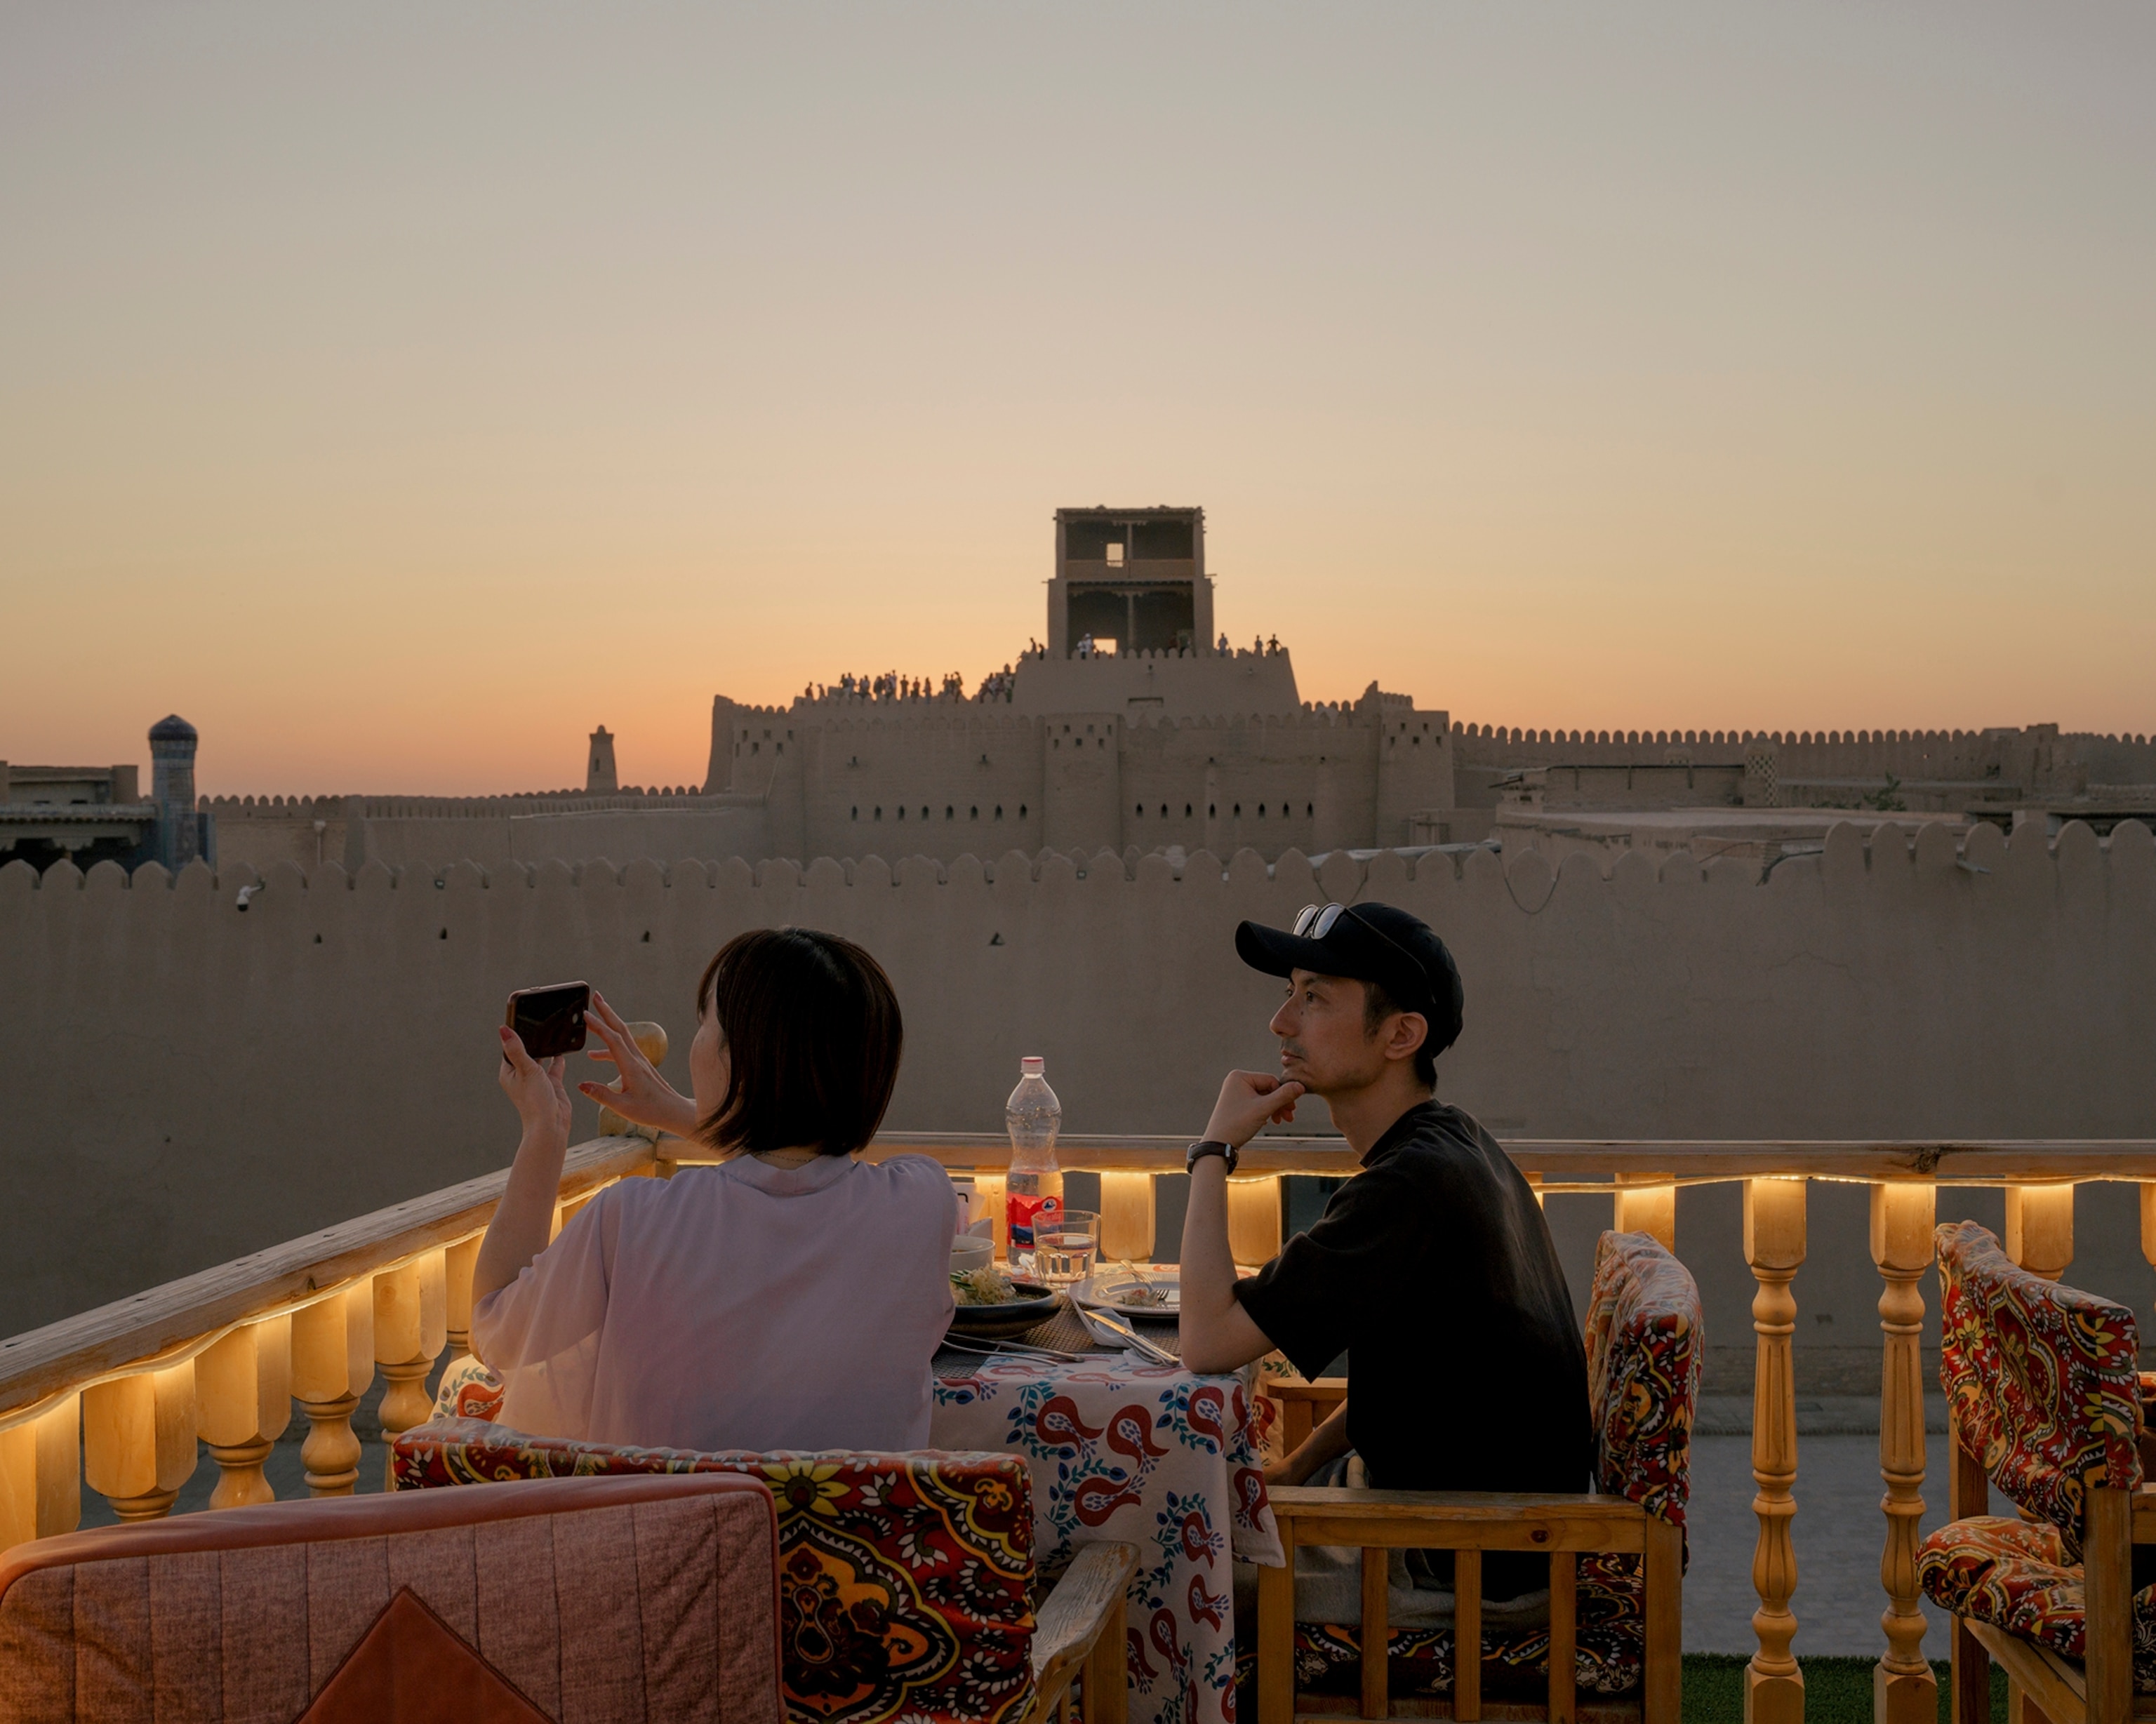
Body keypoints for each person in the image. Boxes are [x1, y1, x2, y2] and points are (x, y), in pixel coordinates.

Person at [1179, 901, 1590, 1604]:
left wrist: (1213, 1150)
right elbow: (1421, 1386)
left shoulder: (1407, 1188)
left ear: (1401, 1035)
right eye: (1289, 994)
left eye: (1314, 999)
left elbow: (1206, 1341)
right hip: (1467, 1533)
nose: (1281, 1024)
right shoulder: (1454, 1144)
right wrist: (1297, 1466)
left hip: (1457, 1569)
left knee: (1168, 1566)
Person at [475, 928, 954, 1452]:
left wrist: (545, 1133)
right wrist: (702, 1115)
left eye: (704, 1022)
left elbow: (494, 1331)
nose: (695, 1042)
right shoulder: (923, 1204)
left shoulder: (629, 1222)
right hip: (859, 1533)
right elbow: (792, 1172)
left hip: (670, 1533)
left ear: (737, 1057)